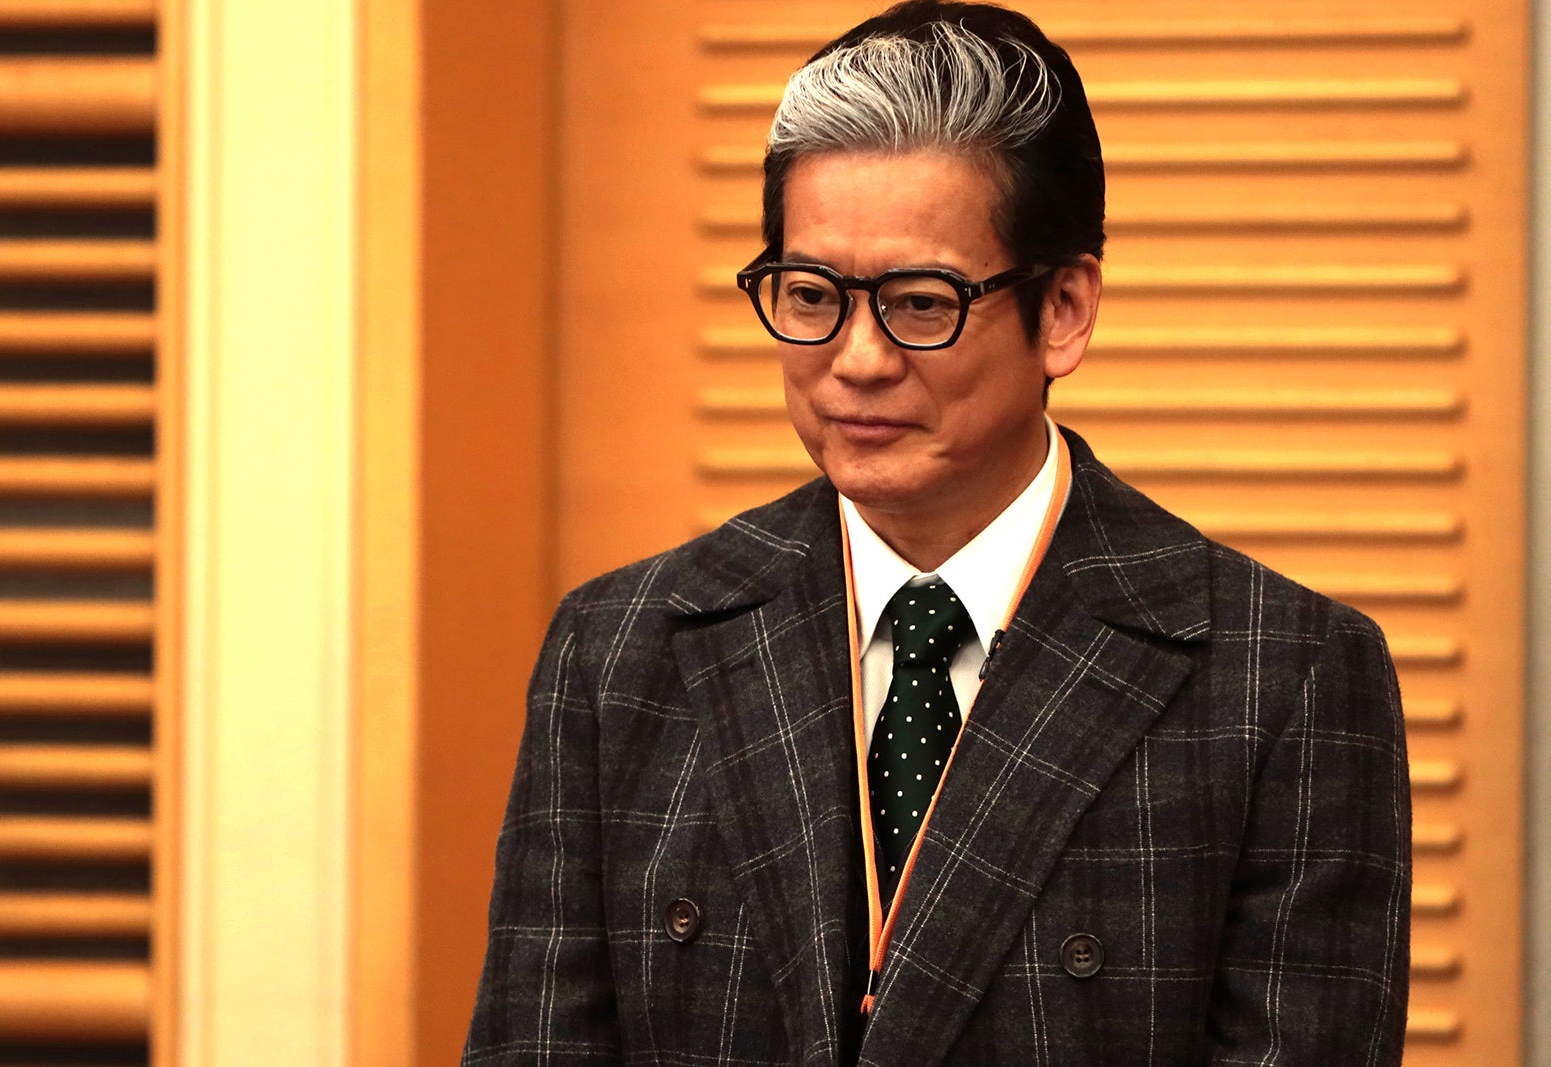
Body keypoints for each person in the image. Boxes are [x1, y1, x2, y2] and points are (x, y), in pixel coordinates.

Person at [464, 2, 1412, 1063]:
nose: (858, 359)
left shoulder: (1283, 676)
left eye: (921, 302)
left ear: (1063, 309)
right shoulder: (618, 650)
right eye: (811, 294)